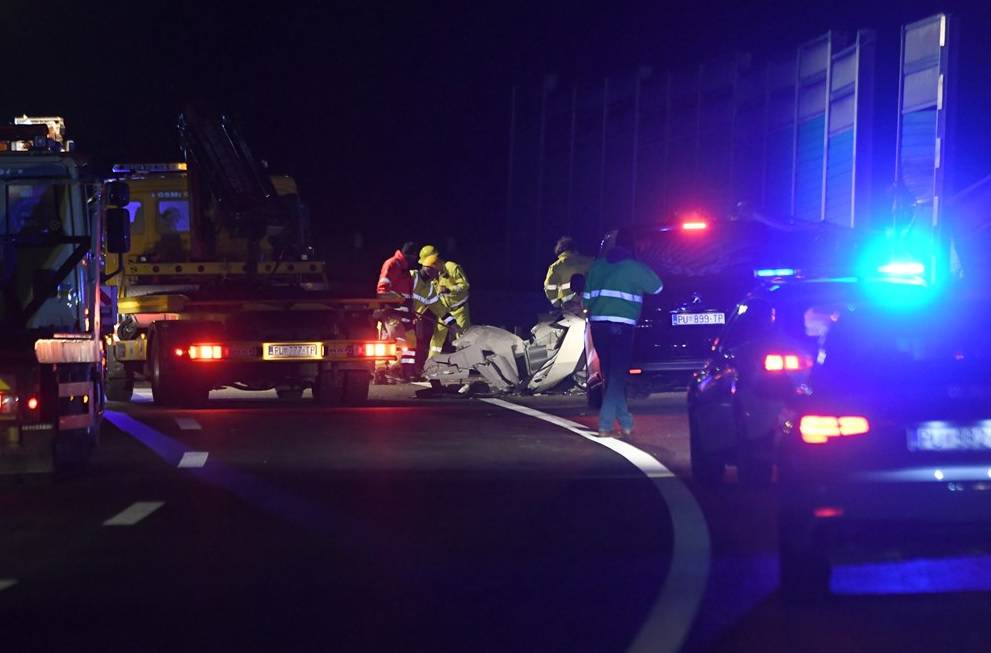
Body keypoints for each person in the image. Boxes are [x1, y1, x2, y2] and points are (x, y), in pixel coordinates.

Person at [583, 229, 663, 437]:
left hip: (598, 326)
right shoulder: (635, 268)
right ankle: (605, 423)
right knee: (617, 376)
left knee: (610, 374)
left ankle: (626, 420)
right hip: (623, 327)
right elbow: (657, 287)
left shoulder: (597, 267)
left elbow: (587, 299)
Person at [418, 244, 470, 357]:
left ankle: (464, 364)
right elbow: (429, 298)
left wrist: (449, 289)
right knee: (438, 337)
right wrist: (419, 313)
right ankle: (431, 363)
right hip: (444, 311)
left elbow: (465, 285)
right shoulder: (432, 276)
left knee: (462, 337)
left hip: (459, 310)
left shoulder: (451, 267)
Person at [377, 242, 419, 379]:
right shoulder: (393, 264)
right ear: (410, 255)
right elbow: (382, 290)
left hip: (405, 314)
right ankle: (387, 371)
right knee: (396, 341)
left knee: (408, 342)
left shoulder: (404, 269)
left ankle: (404, 371)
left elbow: (408, 295)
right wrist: (392, 303)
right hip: (393, 313)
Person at [543, 236, 594, 312]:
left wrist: (557, 304)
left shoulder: (556, 266)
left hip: (569, 306)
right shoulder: (590, 261)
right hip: (589, 303)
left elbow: (549, 288)